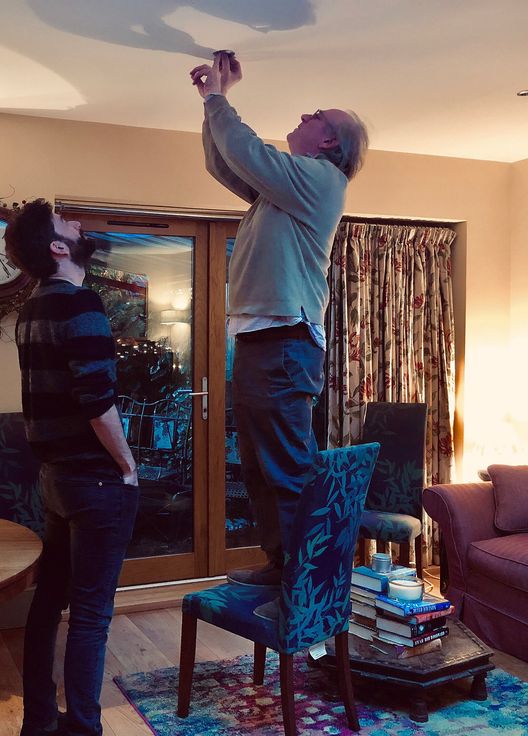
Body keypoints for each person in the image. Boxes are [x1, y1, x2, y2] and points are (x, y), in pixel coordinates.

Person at [190, 53, 369, 614]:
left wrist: (221, 97)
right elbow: (227, 164)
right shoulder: (281, 192)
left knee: (287, 471)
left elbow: (246, 150)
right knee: (260, 468)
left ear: (326, 143)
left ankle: (305, 590)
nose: (304, 114)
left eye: (315, 114)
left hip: (285, 343)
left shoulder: (319, 180)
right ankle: (281, 564)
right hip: (265, 343)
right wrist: (210, 103)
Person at [5, 199, 139, 736]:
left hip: (56, 480)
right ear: (59, 248)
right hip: (96, 480)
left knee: (49, 604)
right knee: (90, 614)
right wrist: (127, 464)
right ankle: (84, 727)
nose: (79, 225)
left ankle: (38, 721)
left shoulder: (32, 307)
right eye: (67, 224)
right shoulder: (80, 303)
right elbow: (96, 400)